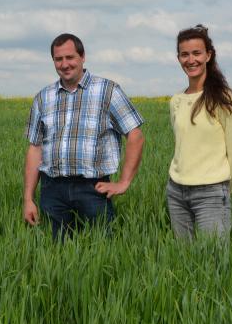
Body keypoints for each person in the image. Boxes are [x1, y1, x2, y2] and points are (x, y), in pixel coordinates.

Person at [23, 33, 145, 240]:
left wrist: (124, 182)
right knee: (55, 254)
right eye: (58, 59)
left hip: (93, 189)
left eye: (70, 57)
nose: (64, 64)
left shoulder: (107, 91)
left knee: (102, 250)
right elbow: (35, 148)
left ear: (82, 57)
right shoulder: (43, 97)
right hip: (52, 190)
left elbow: (135, 135)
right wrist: (28, 198)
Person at [167, 25, 232, 239]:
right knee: (184, 261)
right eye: (184, 54)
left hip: (211, 193)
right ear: (178, 58)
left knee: (213, 262)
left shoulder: (223, 98)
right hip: (176, 192)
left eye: (196, 53)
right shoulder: (176, 100)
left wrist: (223, 189)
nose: (190, 60)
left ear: (208, 55)